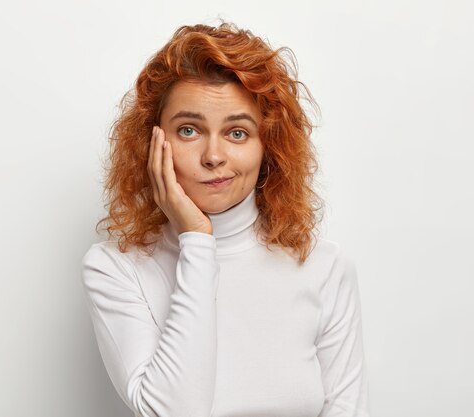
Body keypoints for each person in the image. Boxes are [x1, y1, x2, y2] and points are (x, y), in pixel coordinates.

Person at [81, 21, 370, 417]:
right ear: (152, 143)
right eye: (189, 130)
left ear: (268, 146)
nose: (213, 156)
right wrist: (198, 239)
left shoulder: (324, 267)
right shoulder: (116, 268)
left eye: (237, 133)